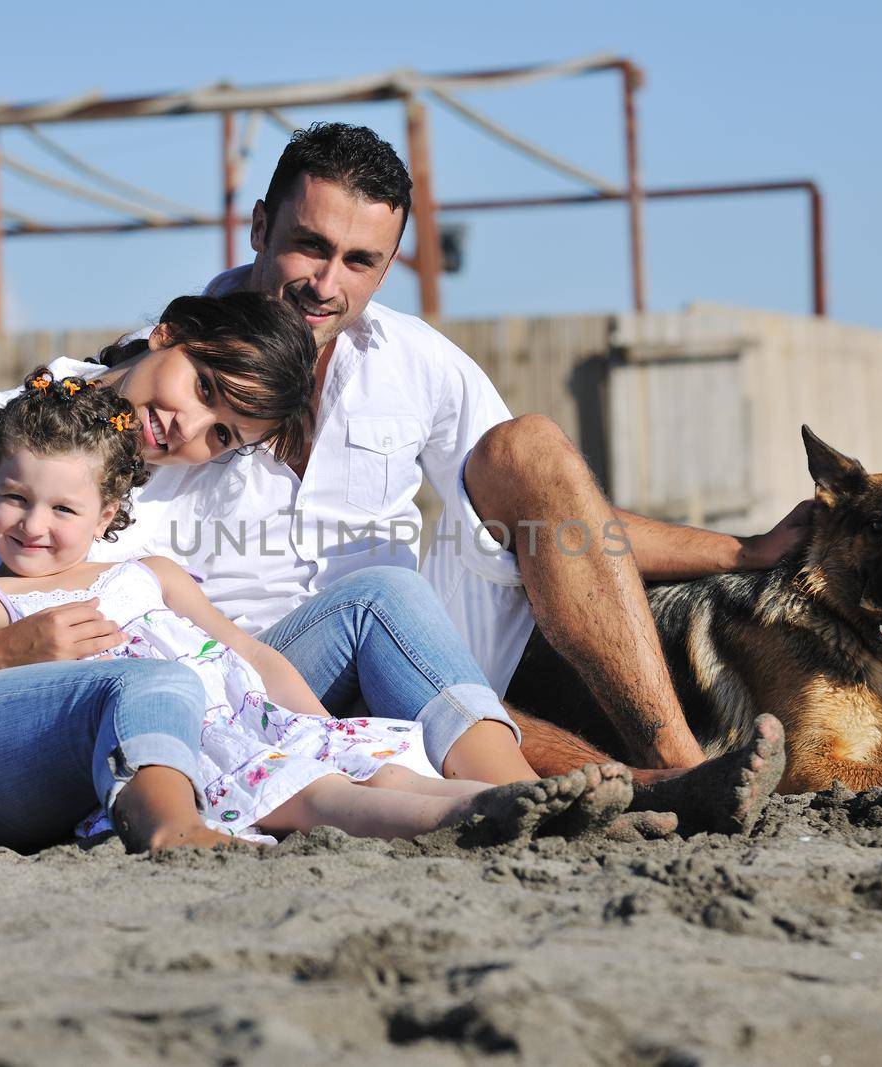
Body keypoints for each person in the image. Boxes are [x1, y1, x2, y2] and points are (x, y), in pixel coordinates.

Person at [95, 123, 799, 832]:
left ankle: (677, 768)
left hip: (404, 652)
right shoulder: (178, 375)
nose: (325, 283)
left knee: (528, 451)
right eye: (310, 245)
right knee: (388, 602)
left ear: (388, 265)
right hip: (246, 674)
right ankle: (606, 793)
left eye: (359, 260)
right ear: (259, 227)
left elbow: (561, 514)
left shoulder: (412, 360)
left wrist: (744, 551)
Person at [0, 291, 595, 858]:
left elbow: (238, 640)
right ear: (165, 334)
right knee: (151, 686)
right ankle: (175, 824)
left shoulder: (188, 485)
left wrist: (320, 736)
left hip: (180, 693)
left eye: (223, 432)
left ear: (107, 512)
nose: (188, 431)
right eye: (201, 387)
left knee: (384, 598)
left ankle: (511, 793)